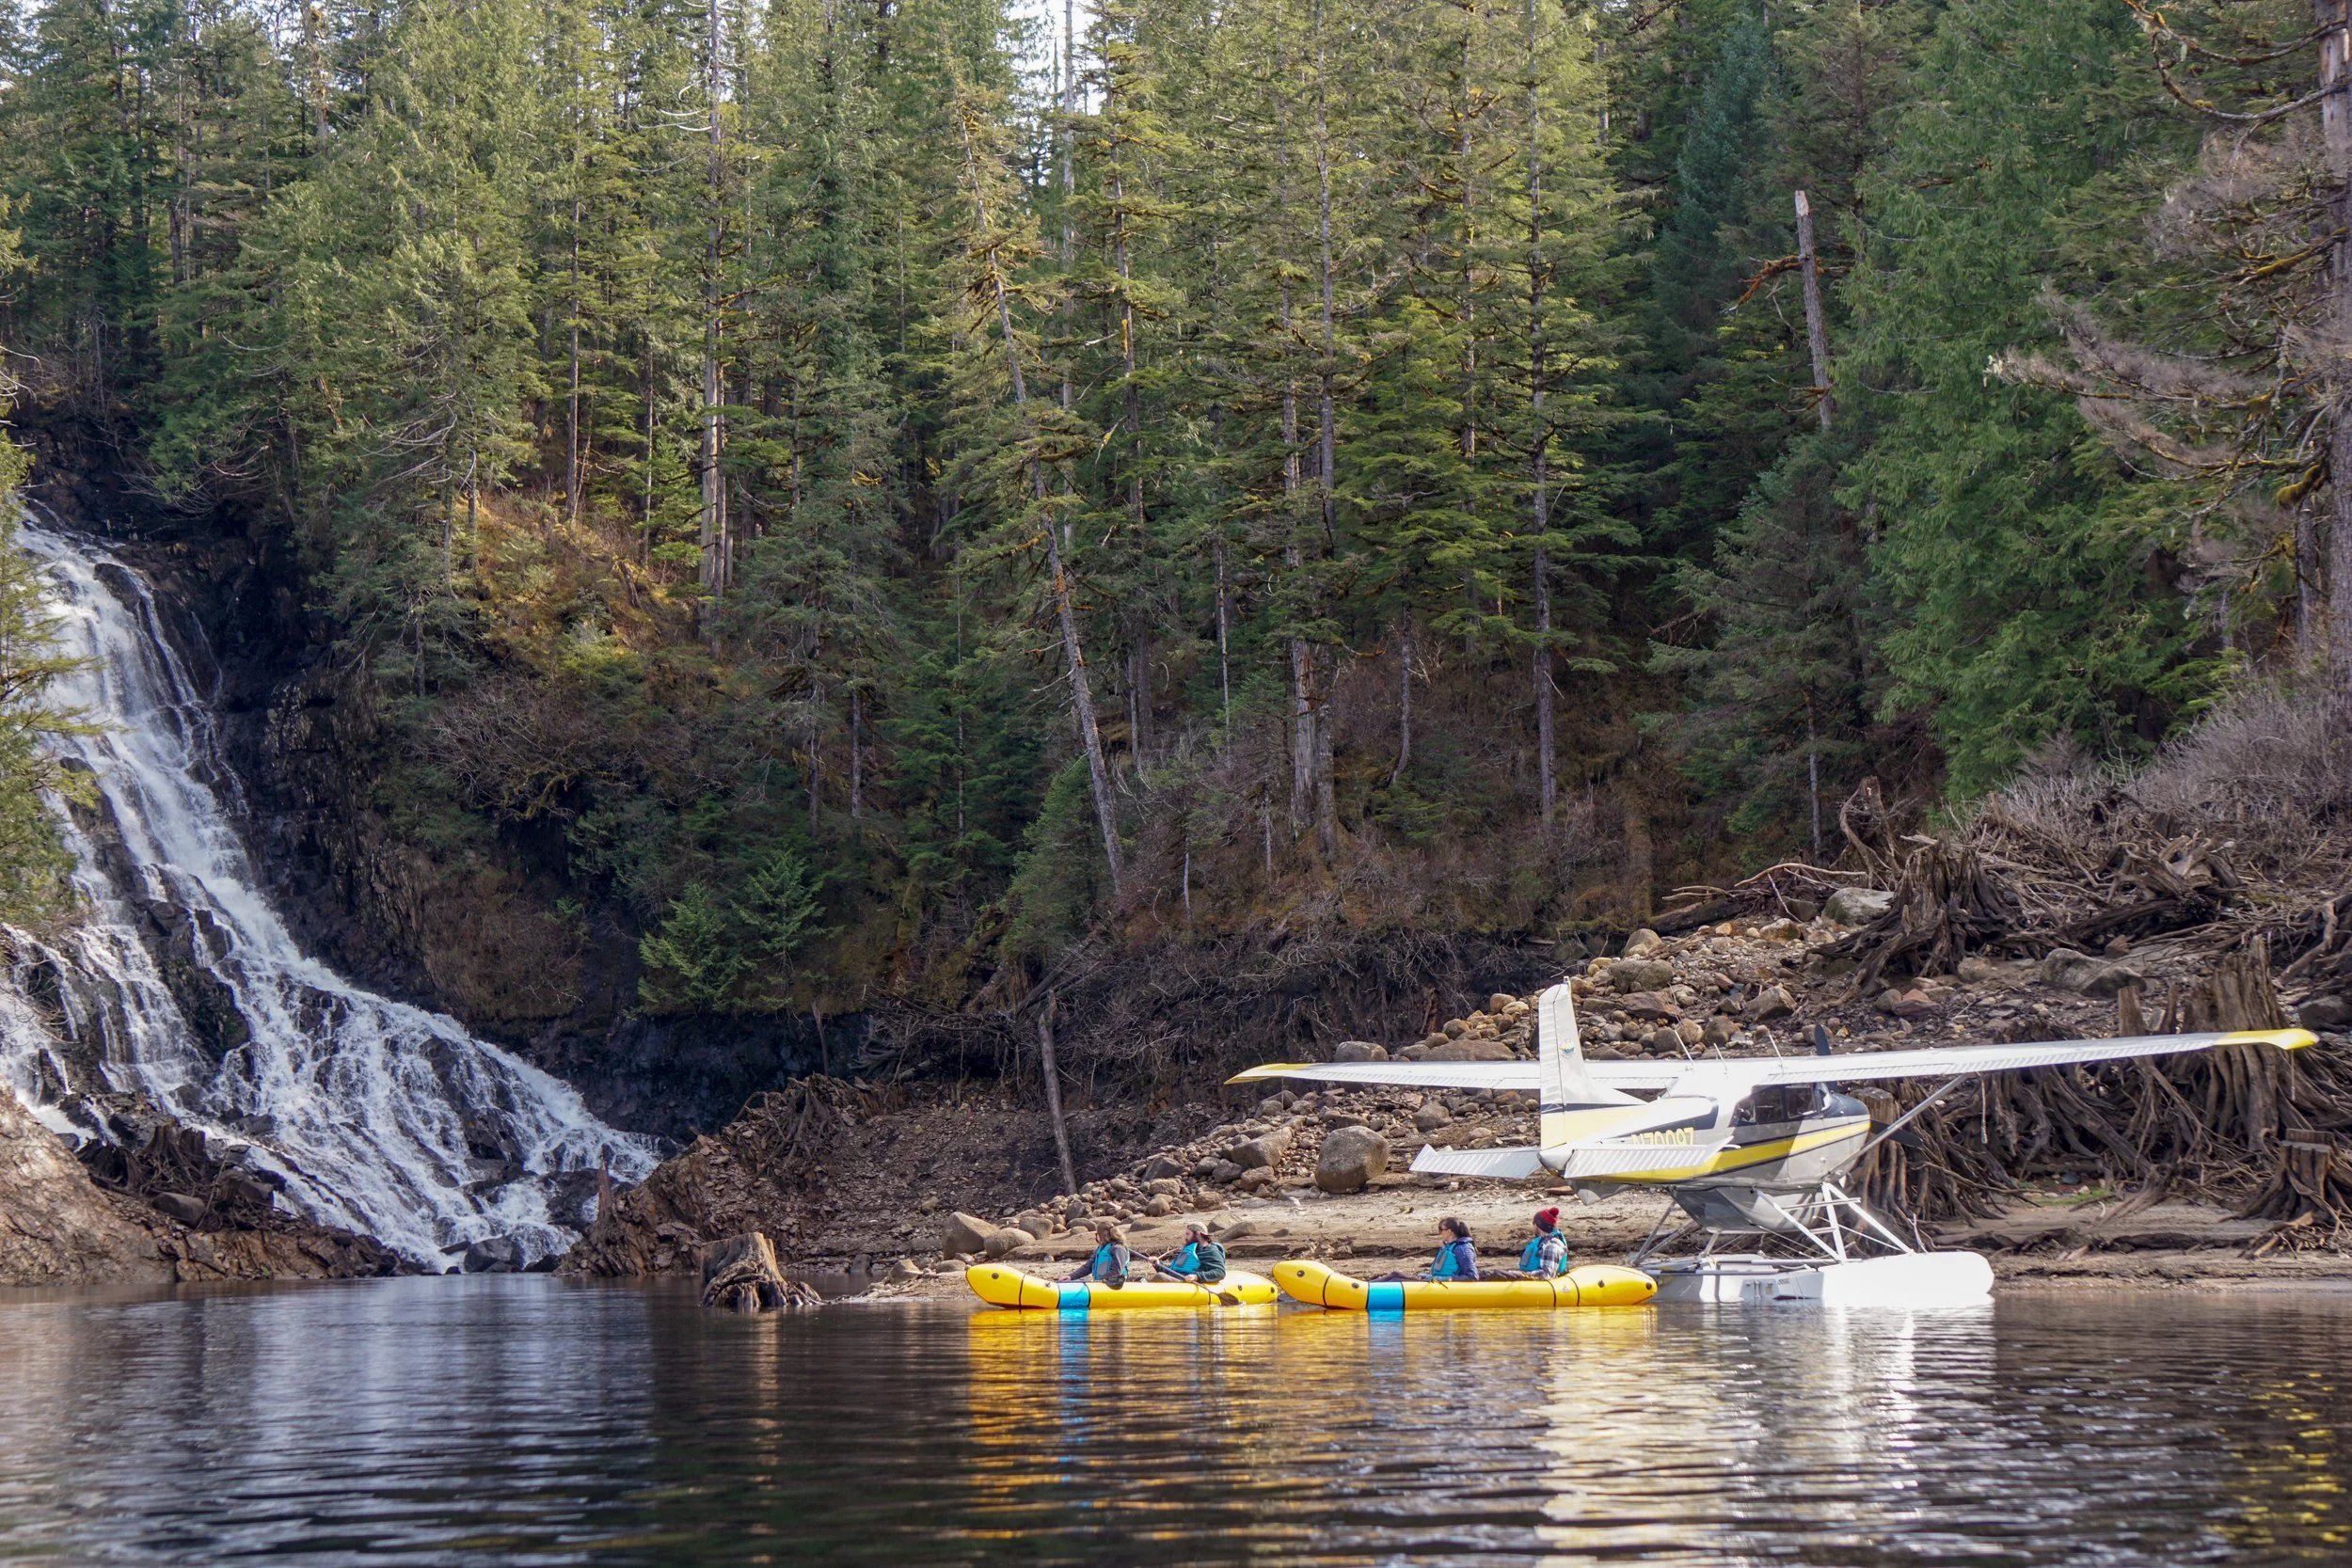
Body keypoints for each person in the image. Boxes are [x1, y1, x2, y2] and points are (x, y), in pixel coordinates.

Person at [1152, 1223, 1228, 1285]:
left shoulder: (1210, 1250)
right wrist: (1158, 1264)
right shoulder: (1189, 1250)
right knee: (1140, 1279)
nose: (1186, 1238)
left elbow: (1220, 1272)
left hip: (1189, 1284)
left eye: (1188, 1234)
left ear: (1198, 1234)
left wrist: (1196, 1277)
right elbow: (1172, 1271)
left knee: (1160, 1276)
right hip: (1177, 1279)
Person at [1067, 1221, 1131, 1288]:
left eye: (1096, 1234)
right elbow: (1087, 1267)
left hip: (1114, 1285)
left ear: (1100, 1235)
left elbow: (1116, 1272)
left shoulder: (1118, 1249)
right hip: (1101, 1284)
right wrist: (1071, 1277)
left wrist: (1105, 1282)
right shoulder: (1101, 1249)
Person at [1516, 1207, 1568, 1278]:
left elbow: (1546, 1275)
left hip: (1540, 1285)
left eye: (1533, 1223)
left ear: (1538, 1225)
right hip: (1530, 1282)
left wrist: (1522, 1275)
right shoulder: (1542, 1242)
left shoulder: (1552, 1245)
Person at [1427, 1217, 1479, 1281]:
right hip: (1439, 1284)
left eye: (1441, 1229)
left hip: (1453, 1288)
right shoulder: (1447, 1248)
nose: (1440, 1233)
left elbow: (1472, 1276)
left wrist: (1449, 1279)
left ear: (1449, 1231)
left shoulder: (1462, 1249)